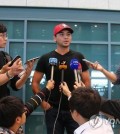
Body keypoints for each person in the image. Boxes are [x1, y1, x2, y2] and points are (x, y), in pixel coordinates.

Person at [32, 23, 91, 134]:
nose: (66, 37)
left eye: (68, 34)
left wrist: (82, 101)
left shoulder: (78, 57)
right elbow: (35, 83)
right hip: (52, 109)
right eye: (62, 34)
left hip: (74, 109)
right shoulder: (46, 58)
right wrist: (43, 103)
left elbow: (87, 81)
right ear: (54, 38)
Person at [0, 23, 35, 99]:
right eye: (2, 35)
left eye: (6, 35)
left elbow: (16, 86)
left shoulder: (6, 57)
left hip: (4, 105)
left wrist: (26, 74)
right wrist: (9, 73)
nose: (5, 38)